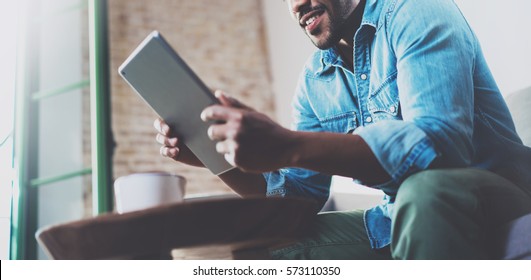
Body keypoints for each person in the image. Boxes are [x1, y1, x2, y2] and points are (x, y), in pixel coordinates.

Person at [154, 0, 531, 259]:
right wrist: (214, 155)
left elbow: (439, 146)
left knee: (424, 191)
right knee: (265, 245)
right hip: (399, 213)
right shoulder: (315, 80)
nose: (297, 4)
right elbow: (298, 199)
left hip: (495, 193)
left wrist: (287, 144)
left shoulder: (415, 11)